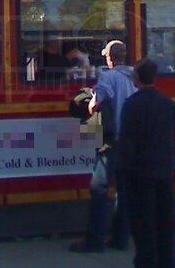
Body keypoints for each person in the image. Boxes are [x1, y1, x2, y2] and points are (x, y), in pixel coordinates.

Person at [69, 39, 136, 253]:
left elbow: (95, 103)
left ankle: (94, 241)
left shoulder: (108, 77)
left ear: (109, 57)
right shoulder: (135, 75)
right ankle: (121, 238)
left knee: (99, 189)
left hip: (111, 141)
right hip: (131, 144)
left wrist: (88, 98)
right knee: (124, 191)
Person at [118, 58, 175, 268]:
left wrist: (124, 169)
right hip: (164, 172)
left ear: (136, 79)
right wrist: (171, 160)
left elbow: (127, 141)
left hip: (139, 174)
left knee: (142, 225)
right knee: (165, 224)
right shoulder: (168, 104)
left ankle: (146, 263)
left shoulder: (132, 105)